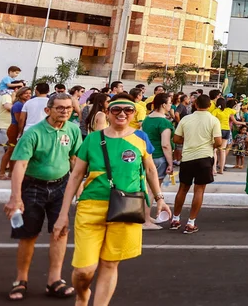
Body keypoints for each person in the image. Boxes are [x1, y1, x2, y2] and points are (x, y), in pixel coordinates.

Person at [52, 96, 170, 306]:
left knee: (109, 263)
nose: (122, 114)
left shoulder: (141, 138)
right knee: (83, 271)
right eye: (116, 110)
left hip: (127, 207)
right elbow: (77, 175)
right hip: (91, 207)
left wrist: (160, 198)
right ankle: (82, 296)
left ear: (134, 113)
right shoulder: (92, 139)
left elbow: (151, 169)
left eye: (128, 110)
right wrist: (62, 215)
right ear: (108, 113)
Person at [3, 92, 81, 300]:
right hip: (33, 187)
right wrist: (15, 197)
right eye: (60, 108)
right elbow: (20, 165)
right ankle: (21, 280)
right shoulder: (33, 133)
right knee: (28, 235)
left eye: (68, 108)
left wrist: (78, 185)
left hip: (61, 187)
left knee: (60, 232)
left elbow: (74, 158)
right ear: (48, 110)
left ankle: (54, 280)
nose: (65, 111)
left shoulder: (73, 130)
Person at [171, 94, 223, 234]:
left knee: (183, 188)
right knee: (199, 190)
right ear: (210, 105)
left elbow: (176, 139)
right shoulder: (213, 120)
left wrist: (188, 141)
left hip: (187, 157)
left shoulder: (186, 119)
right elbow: (218, 142)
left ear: (195, 105)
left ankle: (175, 219)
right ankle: (191, 222)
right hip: (205, 157)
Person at [140, 94, 174, 229]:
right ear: (164, 105)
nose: (170, 105)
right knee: (153, 190)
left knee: (146, 188)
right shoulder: (165, 122)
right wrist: (170, 162)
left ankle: (146, 217)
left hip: (146, 155)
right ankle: (145, 220)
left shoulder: (147, 119)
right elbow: (165, 144)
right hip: (159, 156)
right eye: (169, 103)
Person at [0, 87, 32, 180]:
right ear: (20, 94)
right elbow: (19, 120)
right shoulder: (18, 105)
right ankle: (2, 173)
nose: (28, 95)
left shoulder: (24, 104)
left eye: (29, 93)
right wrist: (20, 132)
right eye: (26, 93)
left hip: (18, 129)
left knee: (14, 152)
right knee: (10, 151)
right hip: (15, 129)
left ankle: (11, 173)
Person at [0, 83, 15, 174]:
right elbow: (8, 107)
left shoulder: (12, 98)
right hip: (2, 126)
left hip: (9, 126)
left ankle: (7, 166)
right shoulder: (6, 96)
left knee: (8, 148)